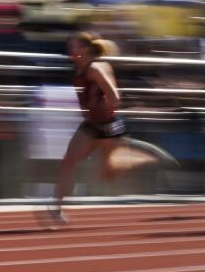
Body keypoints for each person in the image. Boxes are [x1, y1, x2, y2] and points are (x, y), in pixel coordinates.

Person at [43, 31, 176, 228]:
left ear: (85, 49)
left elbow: (114, 95)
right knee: (68, 162)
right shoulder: (80, 67)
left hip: (109, 124)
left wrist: (104, 105)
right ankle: (57, 210)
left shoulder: (95, 67)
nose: (69, 49)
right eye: (69, 45)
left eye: (74, 45)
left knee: (108, 174)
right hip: (90, 126)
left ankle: (144, 156)